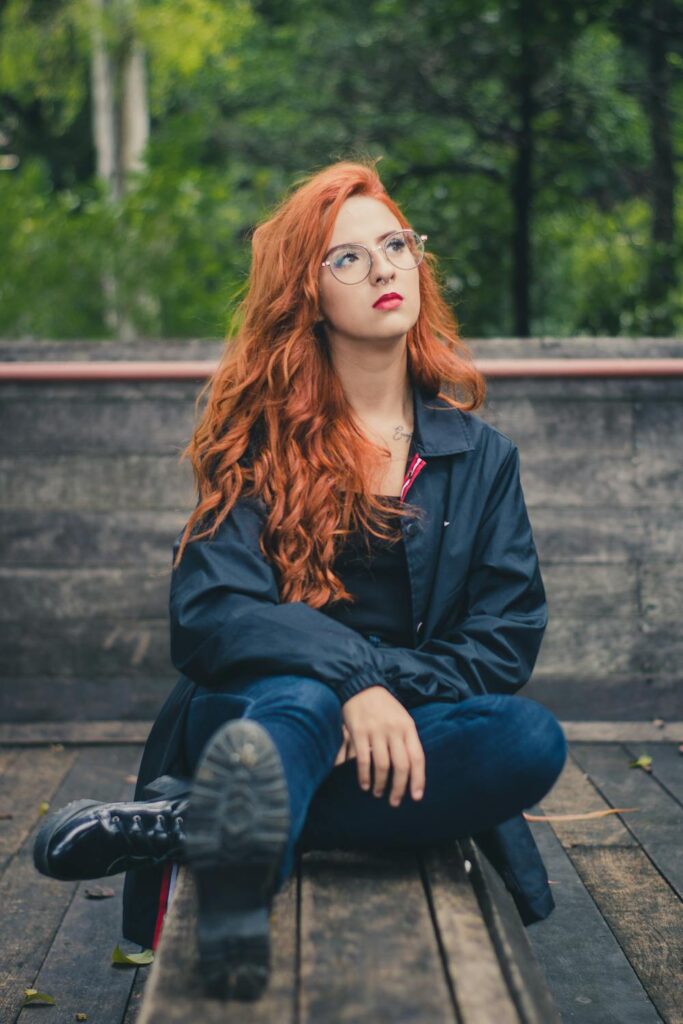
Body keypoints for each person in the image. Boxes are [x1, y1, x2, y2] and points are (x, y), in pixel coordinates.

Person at [33, 157, 567, 1003]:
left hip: (408, 727)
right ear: (306, 293)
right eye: (347, 257)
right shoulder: (257, 440)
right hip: (252, 714)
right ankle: (243, 850)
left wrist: (378, 691)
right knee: (302, 700)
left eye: (395, 244)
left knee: (528, 739)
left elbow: (503, 643)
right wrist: (345, 681)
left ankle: (205, 823)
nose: (385, 266)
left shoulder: (481, 457)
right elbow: (210, 612)